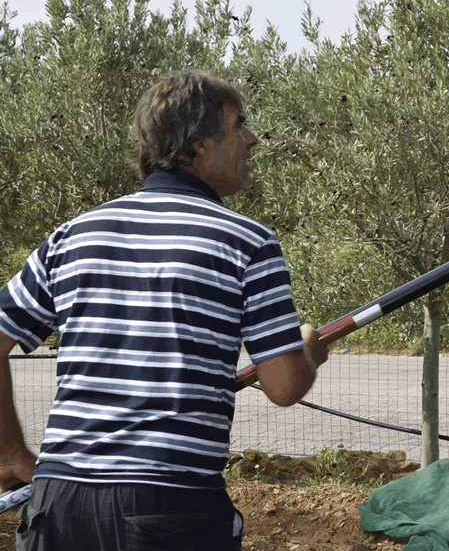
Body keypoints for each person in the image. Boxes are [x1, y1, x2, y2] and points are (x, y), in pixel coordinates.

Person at [0, 69, 329, 550]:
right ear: (198, 146)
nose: (252, 140)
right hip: (171, 506)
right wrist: (305, 356)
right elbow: (282, 386)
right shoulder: (248, 243)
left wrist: (9, 454)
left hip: (60, 504)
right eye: (239, 125)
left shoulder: (74, 235)